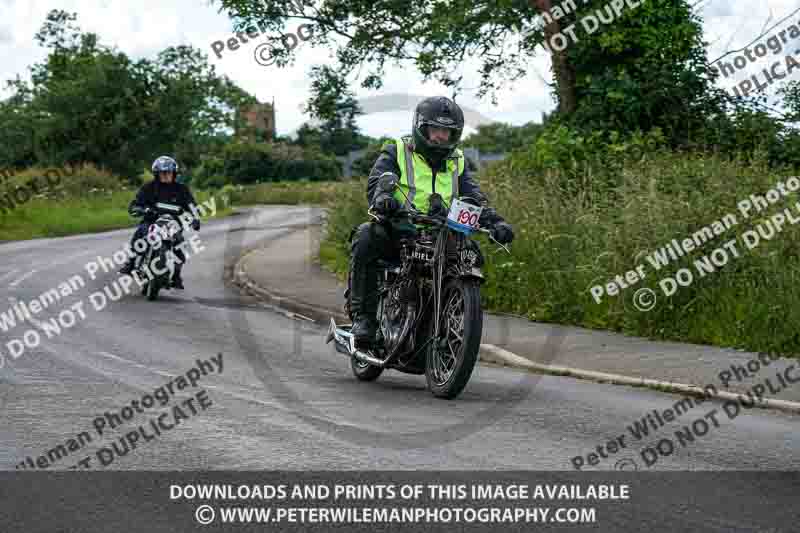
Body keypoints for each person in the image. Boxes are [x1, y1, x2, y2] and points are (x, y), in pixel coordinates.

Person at [347, 96, 514, 349]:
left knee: (472, 256)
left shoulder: (458, 161)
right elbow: (377, 181)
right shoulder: (398, 150)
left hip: (441, 234)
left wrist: (496, 222)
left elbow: (474, 197)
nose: (440, 137)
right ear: (421, 128)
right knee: (367, 236)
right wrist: (383, 198)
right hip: (401, 229)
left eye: (446, 132)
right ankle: (364, 319)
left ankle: (452, 324)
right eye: (435, 130)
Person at [119, 156, 200, 289]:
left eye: (169, 173)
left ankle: (176, 276)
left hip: (173, 224)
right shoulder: (148, 188)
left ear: (174, 174)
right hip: (151, 222)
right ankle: (131, 263)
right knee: (139, 236)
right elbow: (135, 204)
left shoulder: (182, 189)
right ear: (157, 174)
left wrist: (195, 218)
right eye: (163, 173)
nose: (166, 175)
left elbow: (191, 205)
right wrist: (141, 210)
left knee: (180, 246)